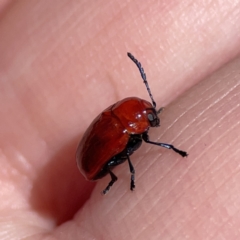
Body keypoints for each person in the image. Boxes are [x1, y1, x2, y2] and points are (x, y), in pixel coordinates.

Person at [0, 1, 240, 239]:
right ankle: (127, 173)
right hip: (92, 164)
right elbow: (126, 153)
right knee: (128, 151)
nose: (153, 116)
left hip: (95, 152)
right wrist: (169, 151)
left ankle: (119, 176)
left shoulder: (119, 117)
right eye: (149, 116)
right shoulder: (121, 129)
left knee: (130, 148)